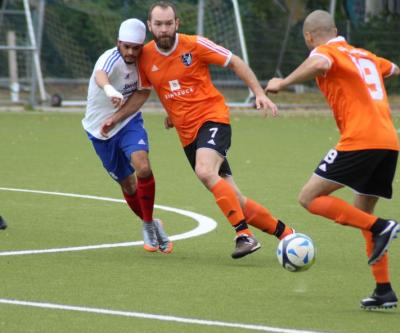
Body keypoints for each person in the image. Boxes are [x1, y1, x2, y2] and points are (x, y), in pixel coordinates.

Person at [102, 1, 294, 259]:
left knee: (205, 170)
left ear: (177, 23)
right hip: (187, 135)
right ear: (150, 26)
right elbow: (153, 89)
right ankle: (286, 234)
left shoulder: (195, 45)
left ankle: (243, 235)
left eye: (169, 23)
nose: (164, 29)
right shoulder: (145, 57)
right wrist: (165, 113)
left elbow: (234, 62)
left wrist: (258, 92)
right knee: (235, 199)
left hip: (213, 119)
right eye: (158, 24)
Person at [266, 10, 400, 309]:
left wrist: (283, 82)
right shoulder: (365, 55)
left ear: (309, 37)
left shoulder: (326, 52)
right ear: (336, 28)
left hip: (360, 140)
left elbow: (320, 62)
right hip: (389, 142)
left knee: (309, 197)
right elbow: (393, 69)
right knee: (362, 211)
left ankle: (383, 227)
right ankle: (383, 290)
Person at [82, 18, 172, 254]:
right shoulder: (109, 57)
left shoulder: (145, 62)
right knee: (128, 184)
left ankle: (146, 223)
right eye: (126, 47)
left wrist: (118, 116)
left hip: (128, 121)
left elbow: (142, 93)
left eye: (136, 47)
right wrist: (110, 90)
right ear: (118, 43)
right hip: (99, 130)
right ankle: (153, 224)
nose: (131, 52)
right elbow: (101, 74)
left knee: (142, 167)